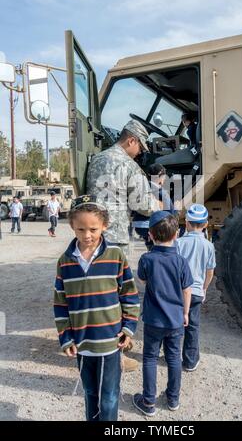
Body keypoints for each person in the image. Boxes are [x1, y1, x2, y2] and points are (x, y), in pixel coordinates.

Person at [53, 195, 140, 421]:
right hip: (82, 344)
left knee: (109, 396)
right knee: (90, 393)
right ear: (72, 226)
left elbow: (129, 294)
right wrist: (66, 338)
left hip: (110, 342)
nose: (87, 235)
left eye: (93, 228)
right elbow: (60, 304)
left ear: (104, 225)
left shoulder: (116, 256)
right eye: (80, 229)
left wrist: (128, 328)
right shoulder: (65, 262)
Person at [87, 119, 158, 371]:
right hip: (115, 239)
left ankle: (97, 344)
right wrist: (160, 205)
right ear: (131, 141)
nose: (140, 153)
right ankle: (113, 356)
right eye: (140, 148)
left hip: (92, 236)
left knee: (96, 294)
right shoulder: (128, 165)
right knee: (115, 298)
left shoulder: (97, 159)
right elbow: (144, 205)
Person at [133, 211, 193, 416]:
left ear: (150, 234)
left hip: (153, 319)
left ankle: (148, 402)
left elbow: (142, 281)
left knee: (150, 358)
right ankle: (173, 399)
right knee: (174, 358)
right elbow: (187, 290)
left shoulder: (146, 259)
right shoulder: (181, 262)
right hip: (176, 319)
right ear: (176, 234)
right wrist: (185, 313)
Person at [176, 204, 216, 371]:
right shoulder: (209, 246)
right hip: (197, 292)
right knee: (193, 326)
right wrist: (205, 289)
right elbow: (210, 272)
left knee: (175, 325)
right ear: (206, 224)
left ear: (187, 223)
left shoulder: (178, 243)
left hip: (178, 292)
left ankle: (172, 354)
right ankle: (190, 361)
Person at [133, 163, 176, 250]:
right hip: (153, 226)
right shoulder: (161, 192)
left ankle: (150, 247)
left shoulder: (141, 188)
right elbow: (169, 212)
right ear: (160, 177)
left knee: (150, 245)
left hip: (138, 225)